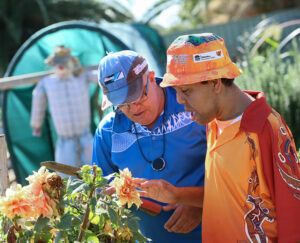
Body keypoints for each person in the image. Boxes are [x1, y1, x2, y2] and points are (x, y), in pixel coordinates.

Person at [135, 33, 300, 242]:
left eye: (186, 90)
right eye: (175, 91)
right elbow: (228, 195)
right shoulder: (212, 122)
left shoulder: (266, 128)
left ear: (215, 83)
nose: (179, 100)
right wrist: (175, 195)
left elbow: (293, 213)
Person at [92, 50, 207, 243]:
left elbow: (236, 172)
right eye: (123, 105)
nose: (134, 109)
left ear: (151, 78)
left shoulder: (192, 106)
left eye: (138, 98)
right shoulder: (107, 132)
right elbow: (100, 190)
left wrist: (201, 204)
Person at [30, 45, 97, 171]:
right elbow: (38, 101)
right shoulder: (47, 83)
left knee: (94, 172)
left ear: (72, 63)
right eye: (58, 64)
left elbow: (101, 77)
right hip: (65, 141)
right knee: (66, 176)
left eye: (65, 64)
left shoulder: (82, 77)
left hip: (85, 136)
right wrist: (36, 125)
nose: (62, 68)